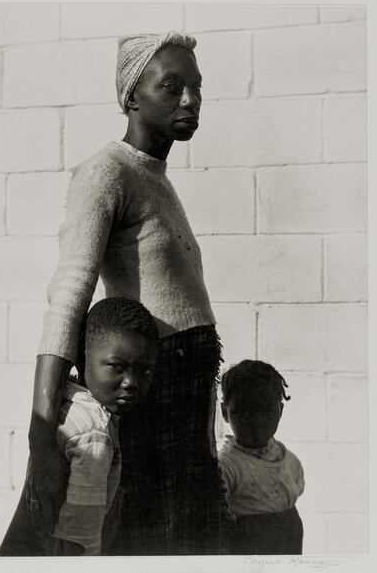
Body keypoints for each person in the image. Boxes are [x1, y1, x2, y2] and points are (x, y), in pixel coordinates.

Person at [26, 31, 228, 555]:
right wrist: (41, 434)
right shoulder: (105, 172)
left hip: (186, 392)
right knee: (139, 538)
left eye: (197, 88)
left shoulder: (154, 177)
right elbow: (71, 289)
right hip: (148, 394)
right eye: (172, 86)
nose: (191, 99)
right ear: (131, 96)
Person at [0, 297, 159, 556]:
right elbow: (81, 536)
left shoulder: (68, 403)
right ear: (82, 360)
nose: (131, 382)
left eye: (146, 371)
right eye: (117, 367)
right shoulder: (94, 433)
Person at [219, 360, 305, 555]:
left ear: (280, 412)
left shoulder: (290, 462)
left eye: (266, 411)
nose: (256, 421)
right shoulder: (226, 466)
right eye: (245, 411)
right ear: (225, 412)